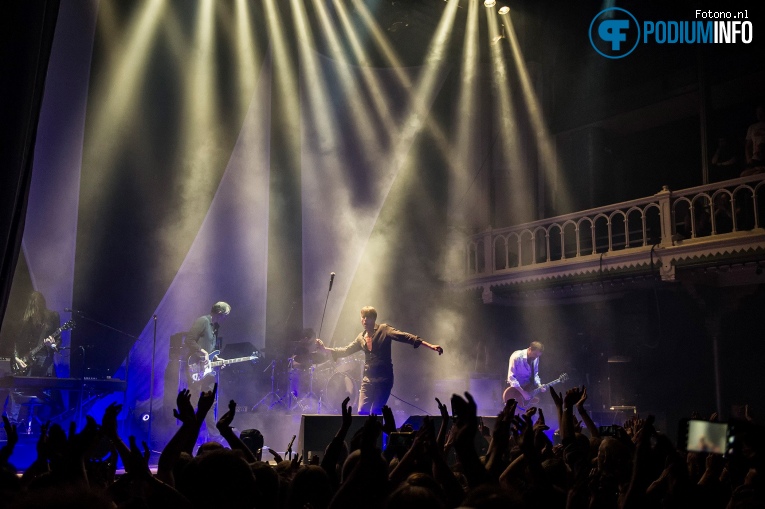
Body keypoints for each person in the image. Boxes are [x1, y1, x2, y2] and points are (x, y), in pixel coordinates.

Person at [315, 306, 443, 415]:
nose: (365, 320)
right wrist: (325, 349)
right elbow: (345, 350)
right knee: (362, 411)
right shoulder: (361, 337)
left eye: (368, 317)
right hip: (367, 380)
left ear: (373, 319)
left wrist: (430, 346)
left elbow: (405, 337)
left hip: (384, 379)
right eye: (363, 317)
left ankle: (377, 441)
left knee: (376, 413)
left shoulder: (384, 330)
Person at [6, 291, 62, 430]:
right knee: (16, 390)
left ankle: (41, 427)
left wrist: (52, 344)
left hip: (44, 363)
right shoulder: (26, 320)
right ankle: (11, 424)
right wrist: (17, 358)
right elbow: (16, 342)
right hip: (26, 361)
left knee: (45, 394)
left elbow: (58, 341)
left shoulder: (52, 317)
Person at [185, 301, 230, 438]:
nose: (226, 318)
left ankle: (214, 436)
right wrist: (201, 351)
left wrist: (217, 360)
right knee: (193, 402)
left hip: (207, 371)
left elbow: (210, 354)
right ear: (220, 313)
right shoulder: (203, 321)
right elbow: (189, 340)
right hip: (196, 368)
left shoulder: (214, 328)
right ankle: (187, 435)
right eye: (225, 315)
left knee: (210, 402)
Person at [505, 341, 545, 406]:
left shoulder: (536, 358)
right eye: (535, 354)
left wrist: (539, 385)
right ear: (529, 349)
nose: (535, 357)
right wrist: (523, 392)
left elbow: (535, 374)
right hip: (514, 391)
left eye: (538, 356)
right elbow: (511, 378)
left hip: (527, 390)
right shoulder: (516, 356)